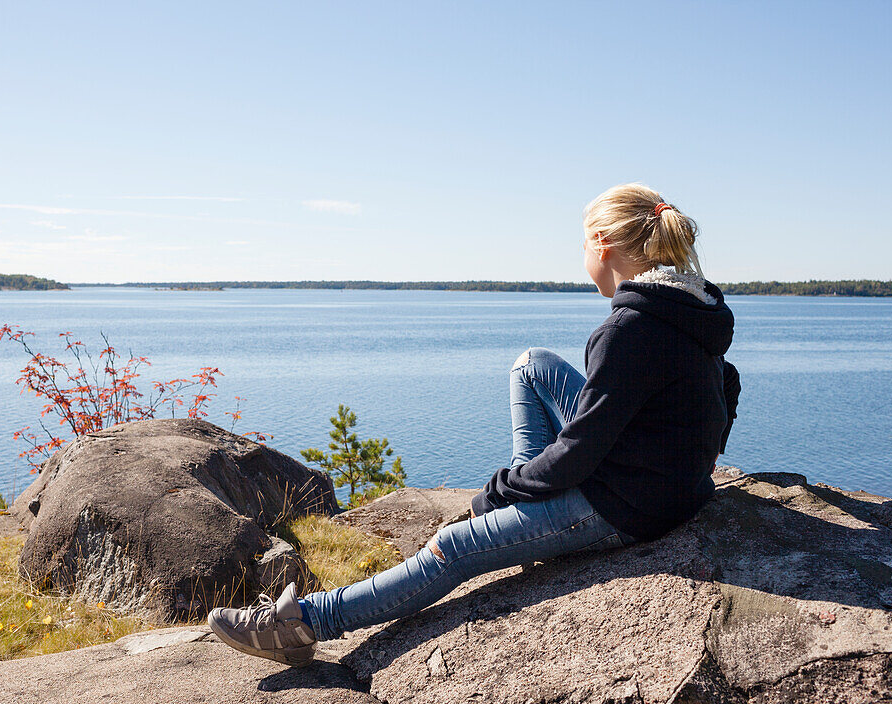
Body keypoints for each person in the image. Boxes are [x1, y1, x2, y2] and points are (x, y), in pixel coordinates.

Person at [207, 182, 741, 666]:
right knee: (532, 365)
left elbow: (581, 452)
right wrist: (690, 461)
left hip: (625, 507)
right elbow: (727, 386)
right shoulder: (688, 305)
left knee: (456, 547)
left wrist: (500, 492)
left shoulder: (629, 329)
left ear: (602, 243)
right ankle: (531, 504)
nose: (582, 257)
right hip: (669, 488)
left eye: (582, 245)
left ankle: (304, 622)